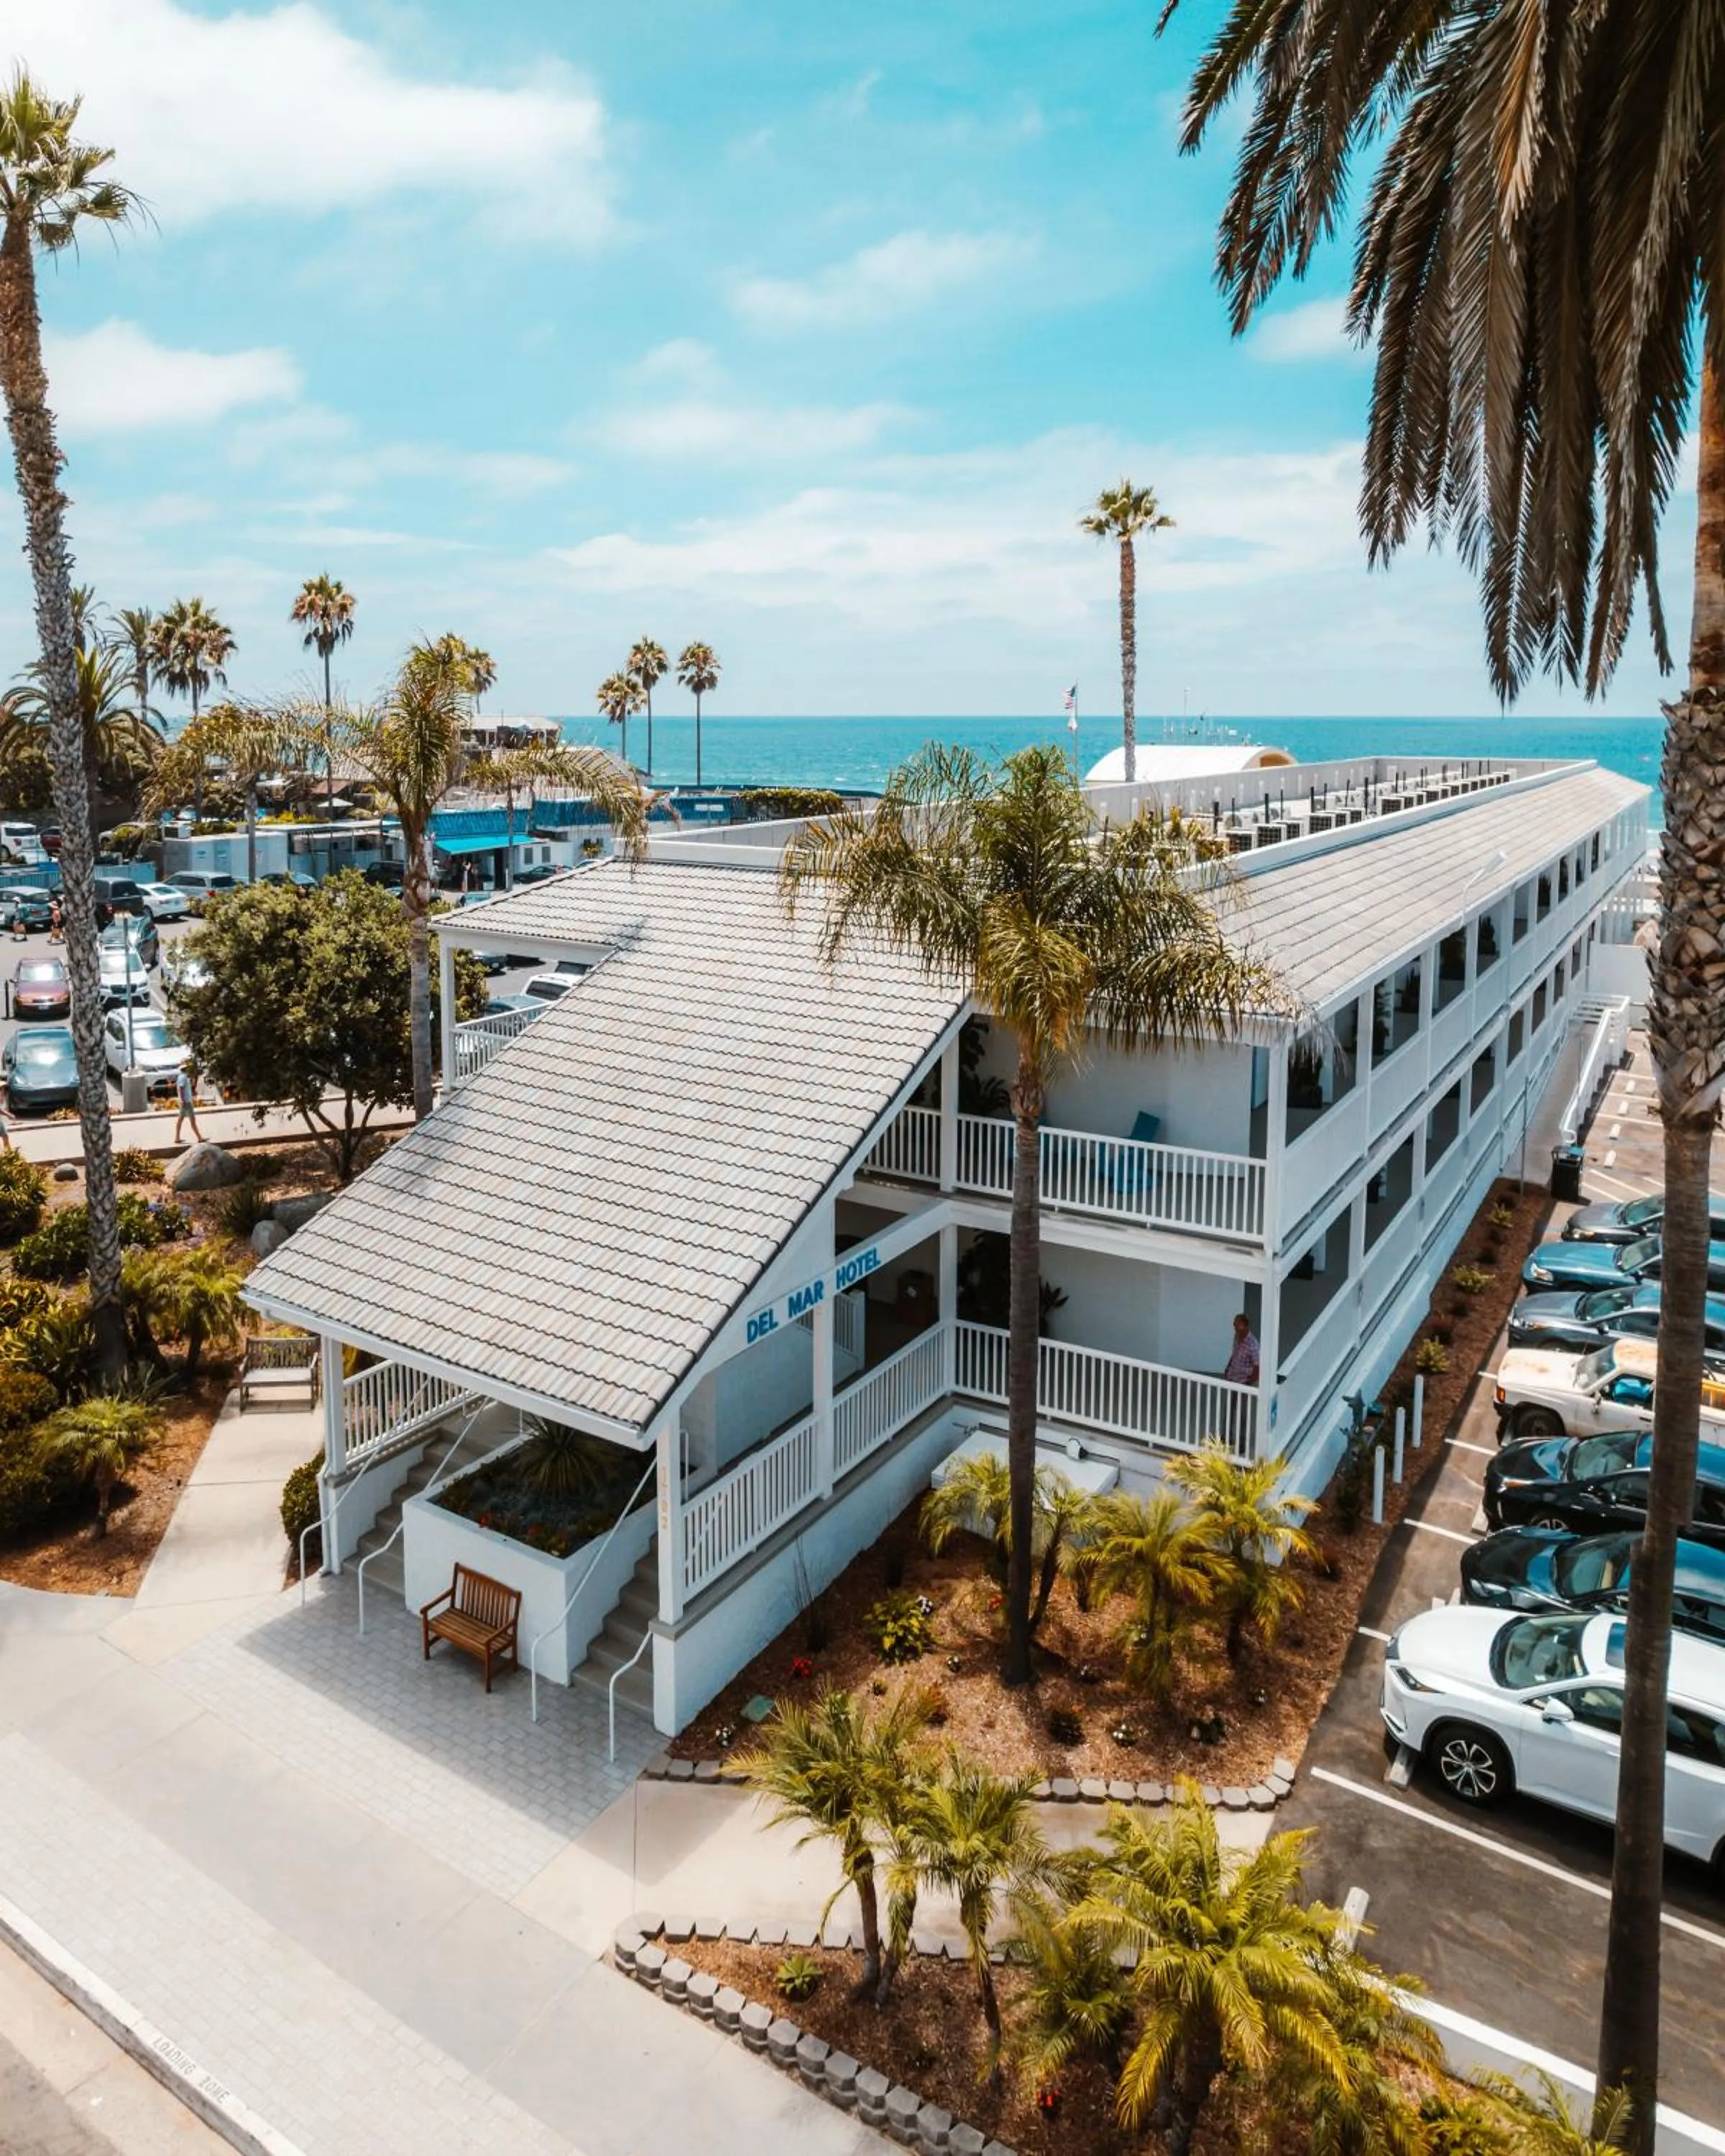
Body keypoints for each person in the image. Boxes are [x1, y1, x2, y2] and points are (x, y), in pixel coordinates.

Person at [1223, 1312, 1260, 1386]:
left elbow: (1257, 1366)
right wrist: (1227, 1368)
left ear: (1246, 1326)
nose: (1235, 1327)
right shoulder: (1237, 1336)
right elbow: (1234, 1354)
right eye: (1235, 1324)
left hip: (1244, 1381)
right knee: (1232, 1397)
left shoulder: (1253, 1344)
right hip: (1233, 1378)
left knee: (1241, 1398)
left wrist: (1249, 1382)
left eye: (1238, 1325)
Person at [174, 1059, 204, 1146]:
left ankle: (177, 1137)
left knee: (181, 1119)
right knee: (192, 1119)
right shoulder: (183, 1077)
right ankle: (200, 1138)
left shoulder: (182, 1077)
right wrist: (183, 1100)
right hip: (186, 1102)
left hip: (185, 1101)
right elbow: (181, 1088)